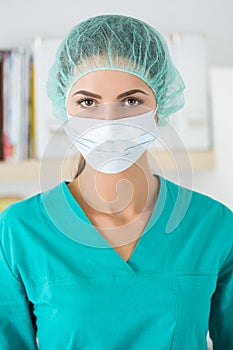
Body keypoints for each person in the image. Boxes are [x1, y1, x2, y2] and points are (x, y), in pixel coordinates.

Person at [0, 14, 232, 350]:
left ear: (161, 104)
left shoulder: (213, 227)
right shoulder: (17, 233)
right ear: (63, 108)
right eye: (88, 102)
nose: (108, 122)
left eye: (131, 101)